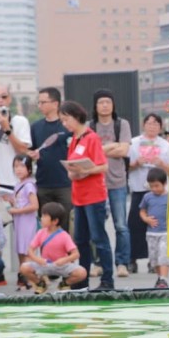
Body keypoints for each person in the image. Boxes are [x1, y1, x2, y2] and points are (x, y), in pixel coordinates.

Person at [60, 101, 112, 290]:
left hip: (94, 195)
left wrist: (85, 172)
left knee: (98, 238)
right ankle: (82, 280)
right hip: (79, 195)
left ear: (76, 117)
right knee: (80, 239)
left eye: (66, 120)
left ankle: (107, 279)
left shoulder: (92, 138)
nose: (65, 124)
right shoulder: (74, 139)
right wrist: (72, 172)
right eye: (63, 121)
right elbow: (70, 167)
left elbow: (103, 166)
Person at [91, 89, 132, 276]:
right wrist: (112, 146)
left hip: (117, 182)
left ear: (113, 104)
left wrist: (100, 149)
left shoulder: (121, 124)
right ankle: (99, 262)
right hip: (95, 183)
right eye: (101, 102)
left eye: (108, 101)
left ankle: (122, 263)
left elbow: (124, 151)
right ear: (95, 106)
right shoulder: (90, 126)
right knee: (97, 225)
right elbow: (88, 154)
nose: (105, 105)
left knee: (121, 225)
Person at [127, 113, 169, 273]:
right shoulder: (134, 142)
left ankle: (154, 262)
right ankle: (132, 259)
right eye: (149, 123)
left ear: (160, 127)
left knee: (156, 225)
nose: (152, 126)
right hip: (139, 189)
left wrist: (162, 164)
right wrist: (135, 163)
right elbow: (125, 167)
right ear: (143, 124)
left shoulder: (166, 145)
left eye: (156, 123)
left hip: (158, 192)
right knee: (135, 225)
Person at [19, 201, 88, 293]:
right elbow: (30, 250)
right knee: (24, 267)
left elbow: (76, 254)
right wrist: (36, 259)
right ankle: (40, 283)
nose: (41, 219)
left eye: (44, 217)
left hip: (61, 266)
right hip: (44, 264)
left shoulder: (64, 235)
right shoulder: (41, 233)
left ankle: (65, 283)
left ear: (55, 221)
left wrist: (64, 260)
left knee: (82, 272)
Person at [28, 87, 72, 220]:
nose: (40, 106)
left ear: (55, 104)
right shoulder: (36, 127)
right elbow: (31, 149)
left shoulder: (68, 126)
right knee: (46, 225)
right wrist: (32, 154)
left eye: (43, 102)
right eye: (39, 102)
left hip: (65, 184)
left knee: (66, 224)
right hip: (43, 184)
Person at [139, 167, 169, 289]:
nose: (154, 189)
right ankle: (159, 278)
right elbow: (142, 211)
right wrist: (146, 219)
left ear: (164, 183)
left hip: (165, 233)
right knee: (154, 258)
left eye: (157, 186)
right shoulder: (147, 197)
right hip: (151, 233)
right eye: (151, 186)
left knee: (163, 256)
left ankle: (164, 278)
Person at [0, 85, 32, 188]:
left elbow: (23, 151)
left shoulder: (21, 121)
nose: (0, 100)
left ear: (9, 99)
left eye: (4, 97)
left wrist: (7, 128)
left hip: (15, 180)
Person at [9, 154, 39, 281]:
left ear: (29, 169)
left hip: (27, 222)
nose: (18, 169)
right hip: (19, 222)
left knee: (27, 250)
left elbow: (35, 205)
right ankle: (23, 278)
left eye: (22, 166)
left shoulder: (29, 186)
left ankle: (32, 278)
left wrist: (17, 210)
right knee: (20, 250)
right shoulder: (18, 185)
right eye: (16, 166)